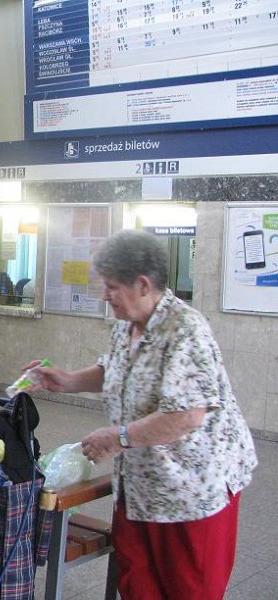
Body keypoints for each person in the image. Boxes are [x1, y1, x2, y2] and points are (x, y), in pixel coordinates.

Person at [27, 229, 257, 600]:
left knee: (189, 588)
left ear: (143, 284)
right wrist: (67, 380)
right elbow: (114, 370)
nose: (105, 295)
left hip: (192, 489)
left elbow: (186, 415)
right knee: (137, 583)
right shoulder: (127, 325)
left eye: (112, 286)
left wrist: (117, 437)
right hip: (140, 485)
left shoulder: (186, 330)